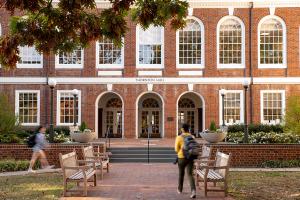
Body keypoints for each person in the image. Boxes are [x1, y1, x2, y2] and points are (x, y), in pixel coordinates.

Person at [175, 123, 196, 199]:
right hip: (190, 158)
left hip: (181, 158)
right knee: (190, 174)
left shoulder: (179, 137)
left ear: (182, 129)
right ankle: (193, 191)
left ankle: (180, 189)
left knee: (181, 174)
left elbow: (176, 149)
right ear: (189, 129)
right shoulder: (192, 137)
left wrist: (180, 152)